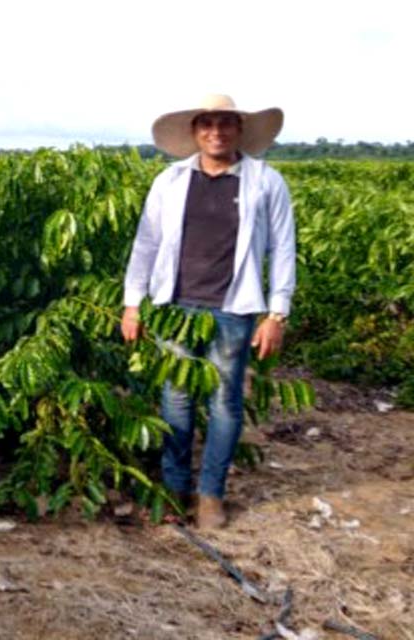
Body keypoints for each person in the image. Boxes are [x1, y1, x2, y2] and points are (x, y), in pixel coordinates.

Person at [121, 94, 296, 529]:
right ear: (196, 131)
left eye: (225, 124)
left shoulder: (265, 182)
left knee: (225, 402)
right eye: (207, 124)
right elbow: (146, 244)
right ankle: (175, 487)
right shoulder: (170, 181)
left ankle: (211, 494)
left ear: (238, 131)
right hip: (175, 307)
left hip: (233, 309)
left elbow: (284, 247)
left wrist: (276, 314)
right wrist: (132, 304)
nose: (216, 132)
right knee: (175, 399)